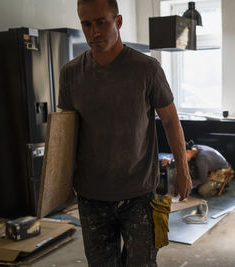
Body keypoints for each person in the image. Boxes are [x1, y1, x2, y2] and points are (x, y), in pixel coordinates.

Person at [58, 0, 192, 265]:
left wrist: (183, 171)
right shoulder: (71, 73)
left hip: (139, 195)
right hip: (91, 196)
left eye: (101, 22)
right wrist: (61, 184)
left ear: (118, 22)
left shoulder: (146, 69)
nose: (93, 32)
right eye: (86, 24)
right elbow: (65, 134)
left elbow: (170, 120)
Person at [162, 140, 233, 197]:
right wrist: (170, 157)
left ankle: (220, 186)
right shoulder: (193, 148)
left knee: (202, 191)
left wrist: (186, 184)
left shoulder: (202, 158)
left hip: (223, 171)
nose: (181, 159)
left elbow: (203, 179)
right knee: (187, 165)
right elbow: (180, 152)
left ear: (188, 152)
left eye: (182, 157)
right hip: (210, 168)